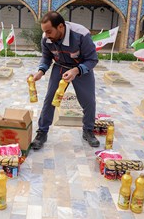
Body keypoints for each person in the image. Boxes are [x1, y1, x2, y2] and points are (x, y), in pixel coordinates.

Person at [29, 11, 99, 150]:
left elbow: (92, 59)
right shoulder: (46, 38)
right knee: (50, 99)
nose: (47, 35)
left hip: (81, 69)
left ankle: (88, 130)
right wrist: (41, 71)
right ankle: (42, 132)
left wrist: (76, 71)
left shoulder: (81, 35)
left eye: (49, 31)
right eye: (45, 32)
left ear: (60, 27)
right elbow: (46, 57)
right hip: (60, 67)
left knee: (89, 101)